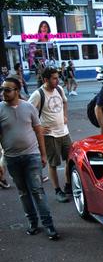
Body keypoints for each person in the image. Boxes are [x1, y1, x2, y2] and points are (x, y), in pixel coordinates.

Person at [0, 76, 59, 239]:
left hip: (31, 156)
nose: (3, 92)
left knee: (37, 191)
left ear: (17, 91)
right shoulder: (0, 109)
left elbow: (38, 131)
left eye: (7, 89)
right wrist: (1, 162)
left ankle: (49, 226)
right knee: (23, 193)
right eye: (2, 89)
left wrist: (43, 154)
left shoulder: (28, 107)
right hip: (12, 158)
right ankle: (33, 223)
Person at [28, 67, 71, 203]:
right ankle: (58, 190)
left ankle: (68, 185)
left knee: (70, 160)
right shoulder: (38, 94)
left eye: (58, 77)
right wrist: (38, 128)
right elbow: (27, 112)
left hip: (64, 132)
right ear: (45, 79)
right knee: (53, 164)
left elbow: (64, 101)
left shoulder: (59, 89)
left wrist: (65, 115)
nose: (57, 80)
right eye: (54, 78)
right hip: (50, 135)